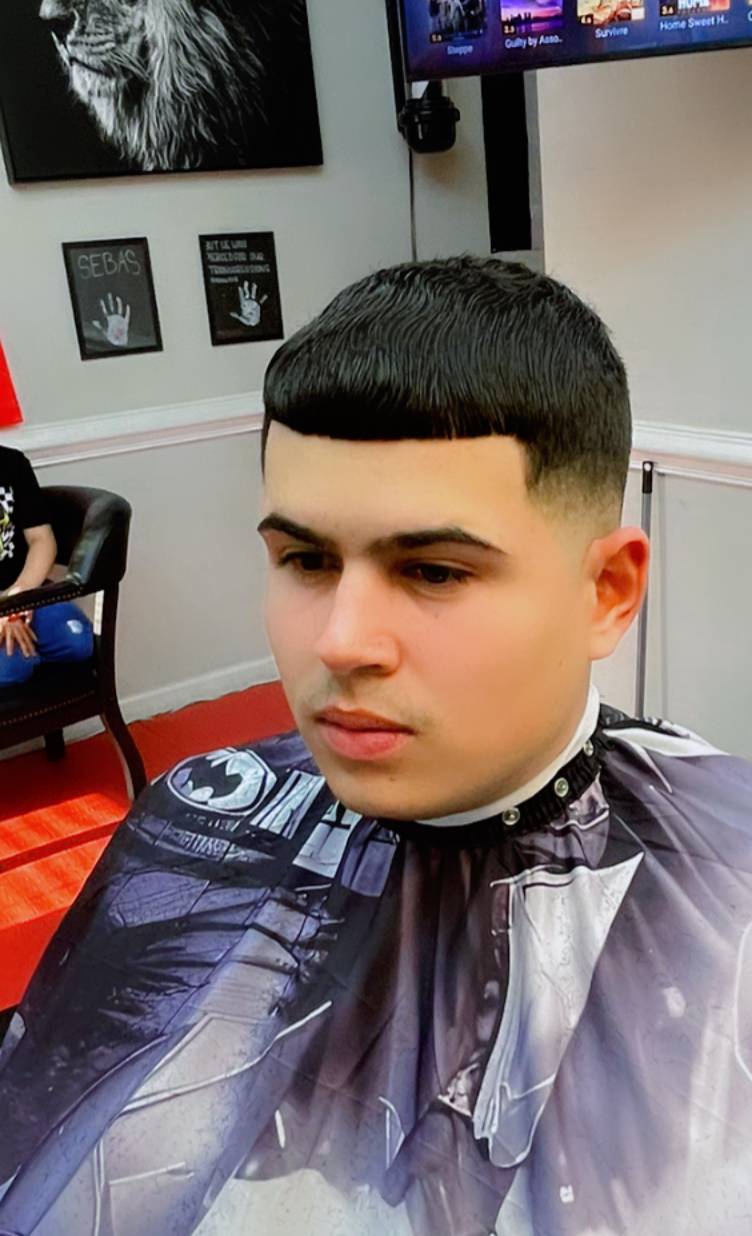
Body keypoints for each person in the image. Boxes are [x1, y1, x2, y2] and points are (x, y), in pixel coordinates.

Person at [0, 257, 750, 1236]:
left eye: (433, 570)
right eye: (306, 558)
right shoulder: (195, 811)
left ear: (604, 593)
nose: (340, 642)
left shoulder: (728, 881)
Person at [0, 445, 93, 686]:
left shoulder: (12, 462)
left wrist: (17, 600)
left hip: (24, 591)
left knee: (78, 640)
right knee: (12, 667)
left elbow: (41, 539)